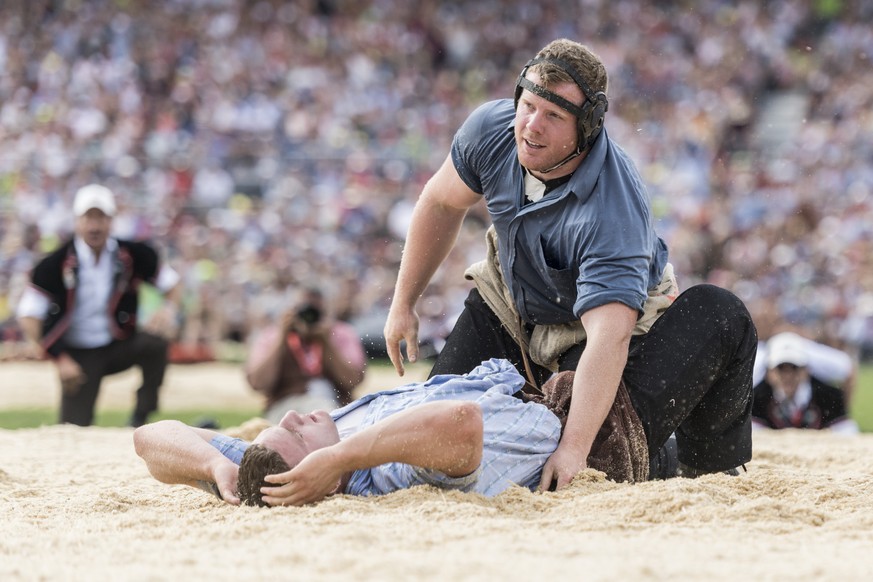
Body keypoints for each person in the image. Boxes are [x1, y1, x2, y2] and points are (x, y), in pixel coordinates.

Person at [383, 38, 758, 488]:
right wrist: (403, 302)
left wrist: (575, 449)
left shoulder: (613, 206)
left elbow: (609, 336)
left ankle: (694, 461)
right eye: (528, 106)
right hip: (514, 305)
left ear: (588, 126)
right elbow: (441, 203)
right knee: (431, 426)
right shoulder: (491, 130)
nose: (531, 127)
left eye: (554, 116)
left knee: (599, 456)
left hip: (598, 330)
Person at [135, 359, 579, 506]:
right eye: (298, 436)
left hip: (489, 373)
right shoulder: (388, 474)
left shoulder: (270, 464)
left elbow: (150, 437)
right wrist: (341, 458)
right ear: (321, 479)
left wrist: (215, 467)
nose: (289, 417)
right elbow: (462, 423)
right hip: (561, 404)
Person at [16, 184, 181, 427]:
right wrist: (59, 358)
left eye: (101, 218)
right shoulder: (53, 264)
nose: (95, 226)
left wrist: (168, 310)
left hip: (119, 343)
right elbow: (29, 315)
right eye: (88, 218)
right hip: (78, 355)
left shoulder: (132, 254)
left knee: (156, 342)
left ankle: (142, 414)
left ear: (111, 221)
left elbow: (172, 284)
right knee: (72, 428)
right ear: (77, 221)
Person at [245, 287, 367, 424]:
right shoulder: (272, 335)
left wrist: (326, 343)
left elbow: (353, 381)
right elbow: (257, 383)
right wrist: (282, 339)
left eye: (315, 312)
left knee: (326, 415)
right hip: (286, 405)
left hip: (333, 404)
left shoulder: (341, 333)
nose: (309, 318)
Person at [752, 332, 858, 434]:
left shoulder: (829, 398)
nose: (788, 376)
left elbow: (847, 431)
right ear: (770, 374)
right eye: (781, 369)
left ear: (805, 371)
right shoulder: (756, 400)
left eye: (794, 368)